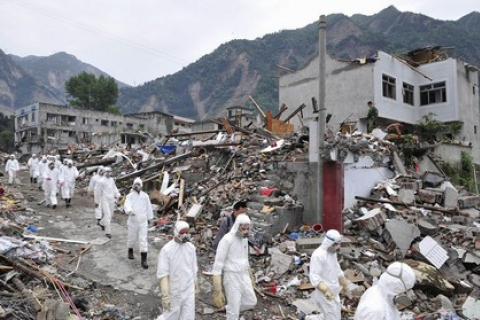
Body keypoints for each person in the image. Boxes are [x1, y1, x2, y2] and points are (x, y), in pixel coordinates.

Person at [212, 214, 257, 320]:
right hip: (231, 277)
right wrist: (217, 289)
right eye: (243, 228)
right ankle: (232, 311)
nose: (245, 230)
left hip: (243, 274)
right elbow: (218, 263)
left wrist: (249, 273)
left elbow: (245, 257)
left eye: (247, 228)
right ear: (237, 225)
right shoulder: (227, 239)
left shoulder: (244, 239)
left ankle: (231, 308)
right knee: (233, 312)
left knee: (251, 301)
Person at [156, 221, 197, 320]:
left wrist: (195, 284)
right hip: (174, 291)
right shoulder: (167, 250)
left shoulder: (191, 248)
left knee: (189, 317)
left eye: (187, 233)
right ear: (176, 233)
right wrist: (165, 295)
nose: (185, 235)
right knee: (171, 316)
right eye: (182, 233)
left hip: (188, 289)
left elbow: (194, 268)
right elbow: (163, 274)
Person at [309, 229, 349, 320]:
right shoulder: (318, 255)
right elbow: (314, 275)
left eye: (339, 243)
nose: (338, 246)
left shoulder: (332, 253)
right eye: (336, 244)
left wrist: (344, 283)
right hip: (325, 293)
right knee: (332, 316)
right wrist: (325, 290)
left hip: (334, 290)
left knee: (334, 313)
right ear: (328, 242)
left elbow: (336, 268)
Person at [124, 177, 154, 269]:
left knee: (143, 239)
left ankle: (143, 260)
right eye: (135, 184)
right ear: (133, 185)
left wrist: (150, 218)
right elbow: (127, 205)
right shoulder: (130, 196)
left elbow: (148, 207)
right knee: (132, 238)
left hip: (143, 222)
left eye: (139, 184)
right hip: (133, 221)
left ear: (141, 186)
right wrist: (129, 211)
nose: (137, 186)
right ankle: (130, 249)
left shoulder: (145, 196)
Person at [96, 167, 120, 238]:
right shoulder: (101, 181)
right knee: (107, 215)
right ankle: (108, 232)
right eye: (107, 171)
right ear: (104, 172)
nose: (109, 173)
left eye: (110, 171)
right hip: (104, 199)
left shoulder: (112, 180)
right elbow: (98, 192)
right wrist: (97, 201)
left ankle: (101, 223)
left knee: (111, 215)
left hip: (111, 199)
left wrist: (118, 195)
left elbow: (114, 189)